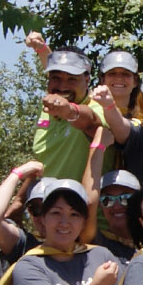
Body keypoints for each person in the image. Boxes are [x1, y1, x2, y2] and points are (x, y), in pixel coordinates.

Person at [32, 47, 102, 183]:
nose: (62, 86)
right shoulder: (46, 107)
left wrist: (69, 111)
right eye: (56, 78)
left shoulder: (99, 106)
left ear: (87, 80)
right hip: (44, 199)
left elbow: (91, 121)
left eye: (72, 79)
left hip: (81, 202)